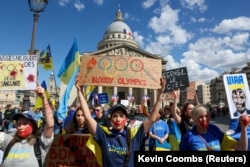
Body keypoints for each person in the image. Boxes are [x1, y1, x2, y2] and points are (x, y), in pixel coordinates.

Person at [75, 76, 166, 167]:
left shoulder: (134, 135)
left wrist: (160, 94)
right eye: (115, 116)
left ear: (126, 119)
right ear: (110, 119)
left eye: (121, 116)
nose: (118, 119)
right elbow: (88, 117)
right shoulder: (104, 135)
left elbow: (152, 119)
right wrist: (80, 92)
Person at [0, 83, 54, 167]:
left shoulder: (41, 144)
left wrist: (43, 98)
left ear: (33, 125)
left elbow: (50, 125)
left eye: (25, 123)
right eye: (18, 124)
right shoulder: (8, 141)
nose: (21, 127)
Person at [179, 104, 248, 151]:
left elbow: (241, 147)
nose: (204, 119)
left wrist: (243, 127)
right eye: (200, 117)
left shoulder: (215, 131)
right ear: (194, 119)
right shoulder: (188, 136)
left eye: (206, 116)